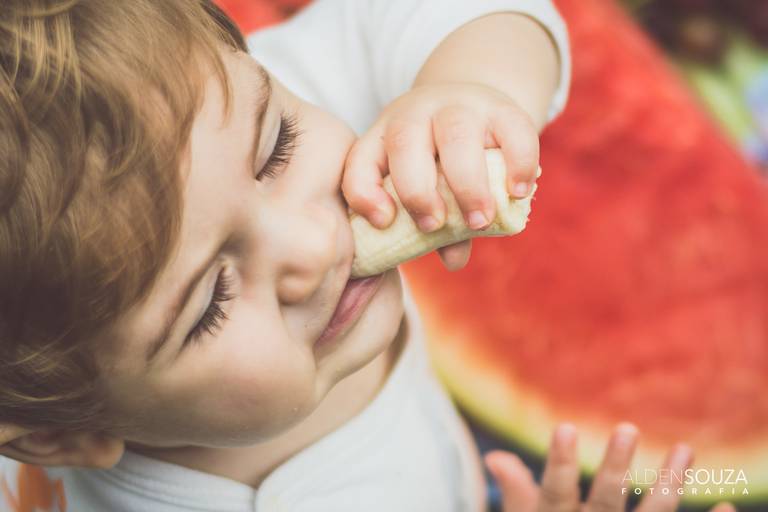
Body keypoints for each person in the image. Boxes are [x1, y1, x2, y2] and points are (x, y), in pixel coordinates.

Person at [0, 0, 735, 510]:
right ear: (62, 435)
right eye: (211, 301)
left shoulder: (208, 110)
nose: (317, 244)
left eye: (279, 147)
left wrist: (466, 85)